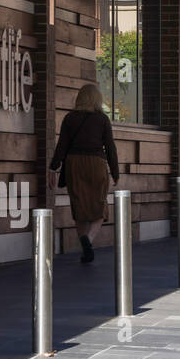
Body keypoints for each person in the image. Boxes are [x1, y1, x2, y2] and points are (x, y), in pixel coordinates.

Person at [47, 83, 120, 263]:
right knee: (100, 208)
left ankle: (84, 241)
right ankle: (89, 240)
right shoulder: (102, 120)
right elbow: (110, 147)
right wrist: (115, 171)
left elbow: (61, 145)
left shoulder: (69, 118)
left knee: (79, 206)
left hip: (74, 164)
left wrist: (53, 168)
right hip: (97, 164)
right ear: (97, 99)